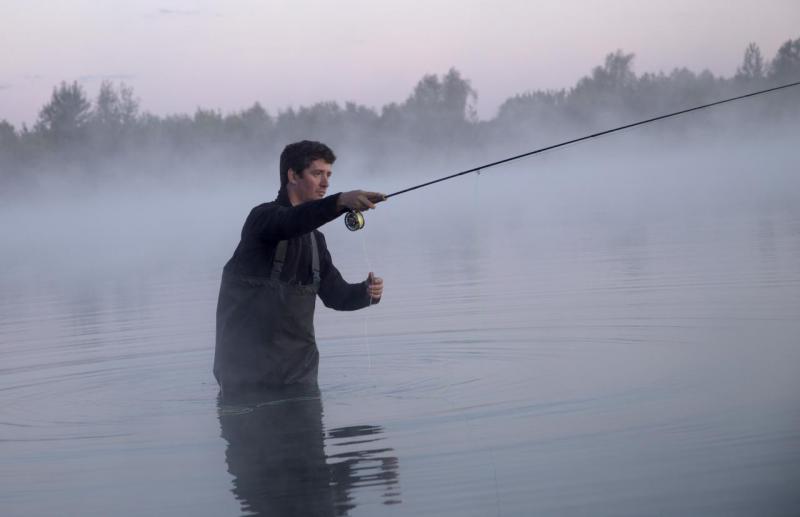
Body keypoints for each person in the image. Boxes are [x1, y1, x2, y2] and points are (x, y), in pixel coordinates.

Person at [213, 140, 385, 392]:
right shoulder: (261, 219)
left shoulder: (316, 240)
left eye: (328, 175)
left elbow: (337, 296)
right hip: (245, 383)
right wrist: (339, 202)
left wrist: (366, 292)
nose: (326, 183)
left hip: (300, 382)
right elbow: (289, 222)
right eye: (317, 174)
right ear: (292, 175)